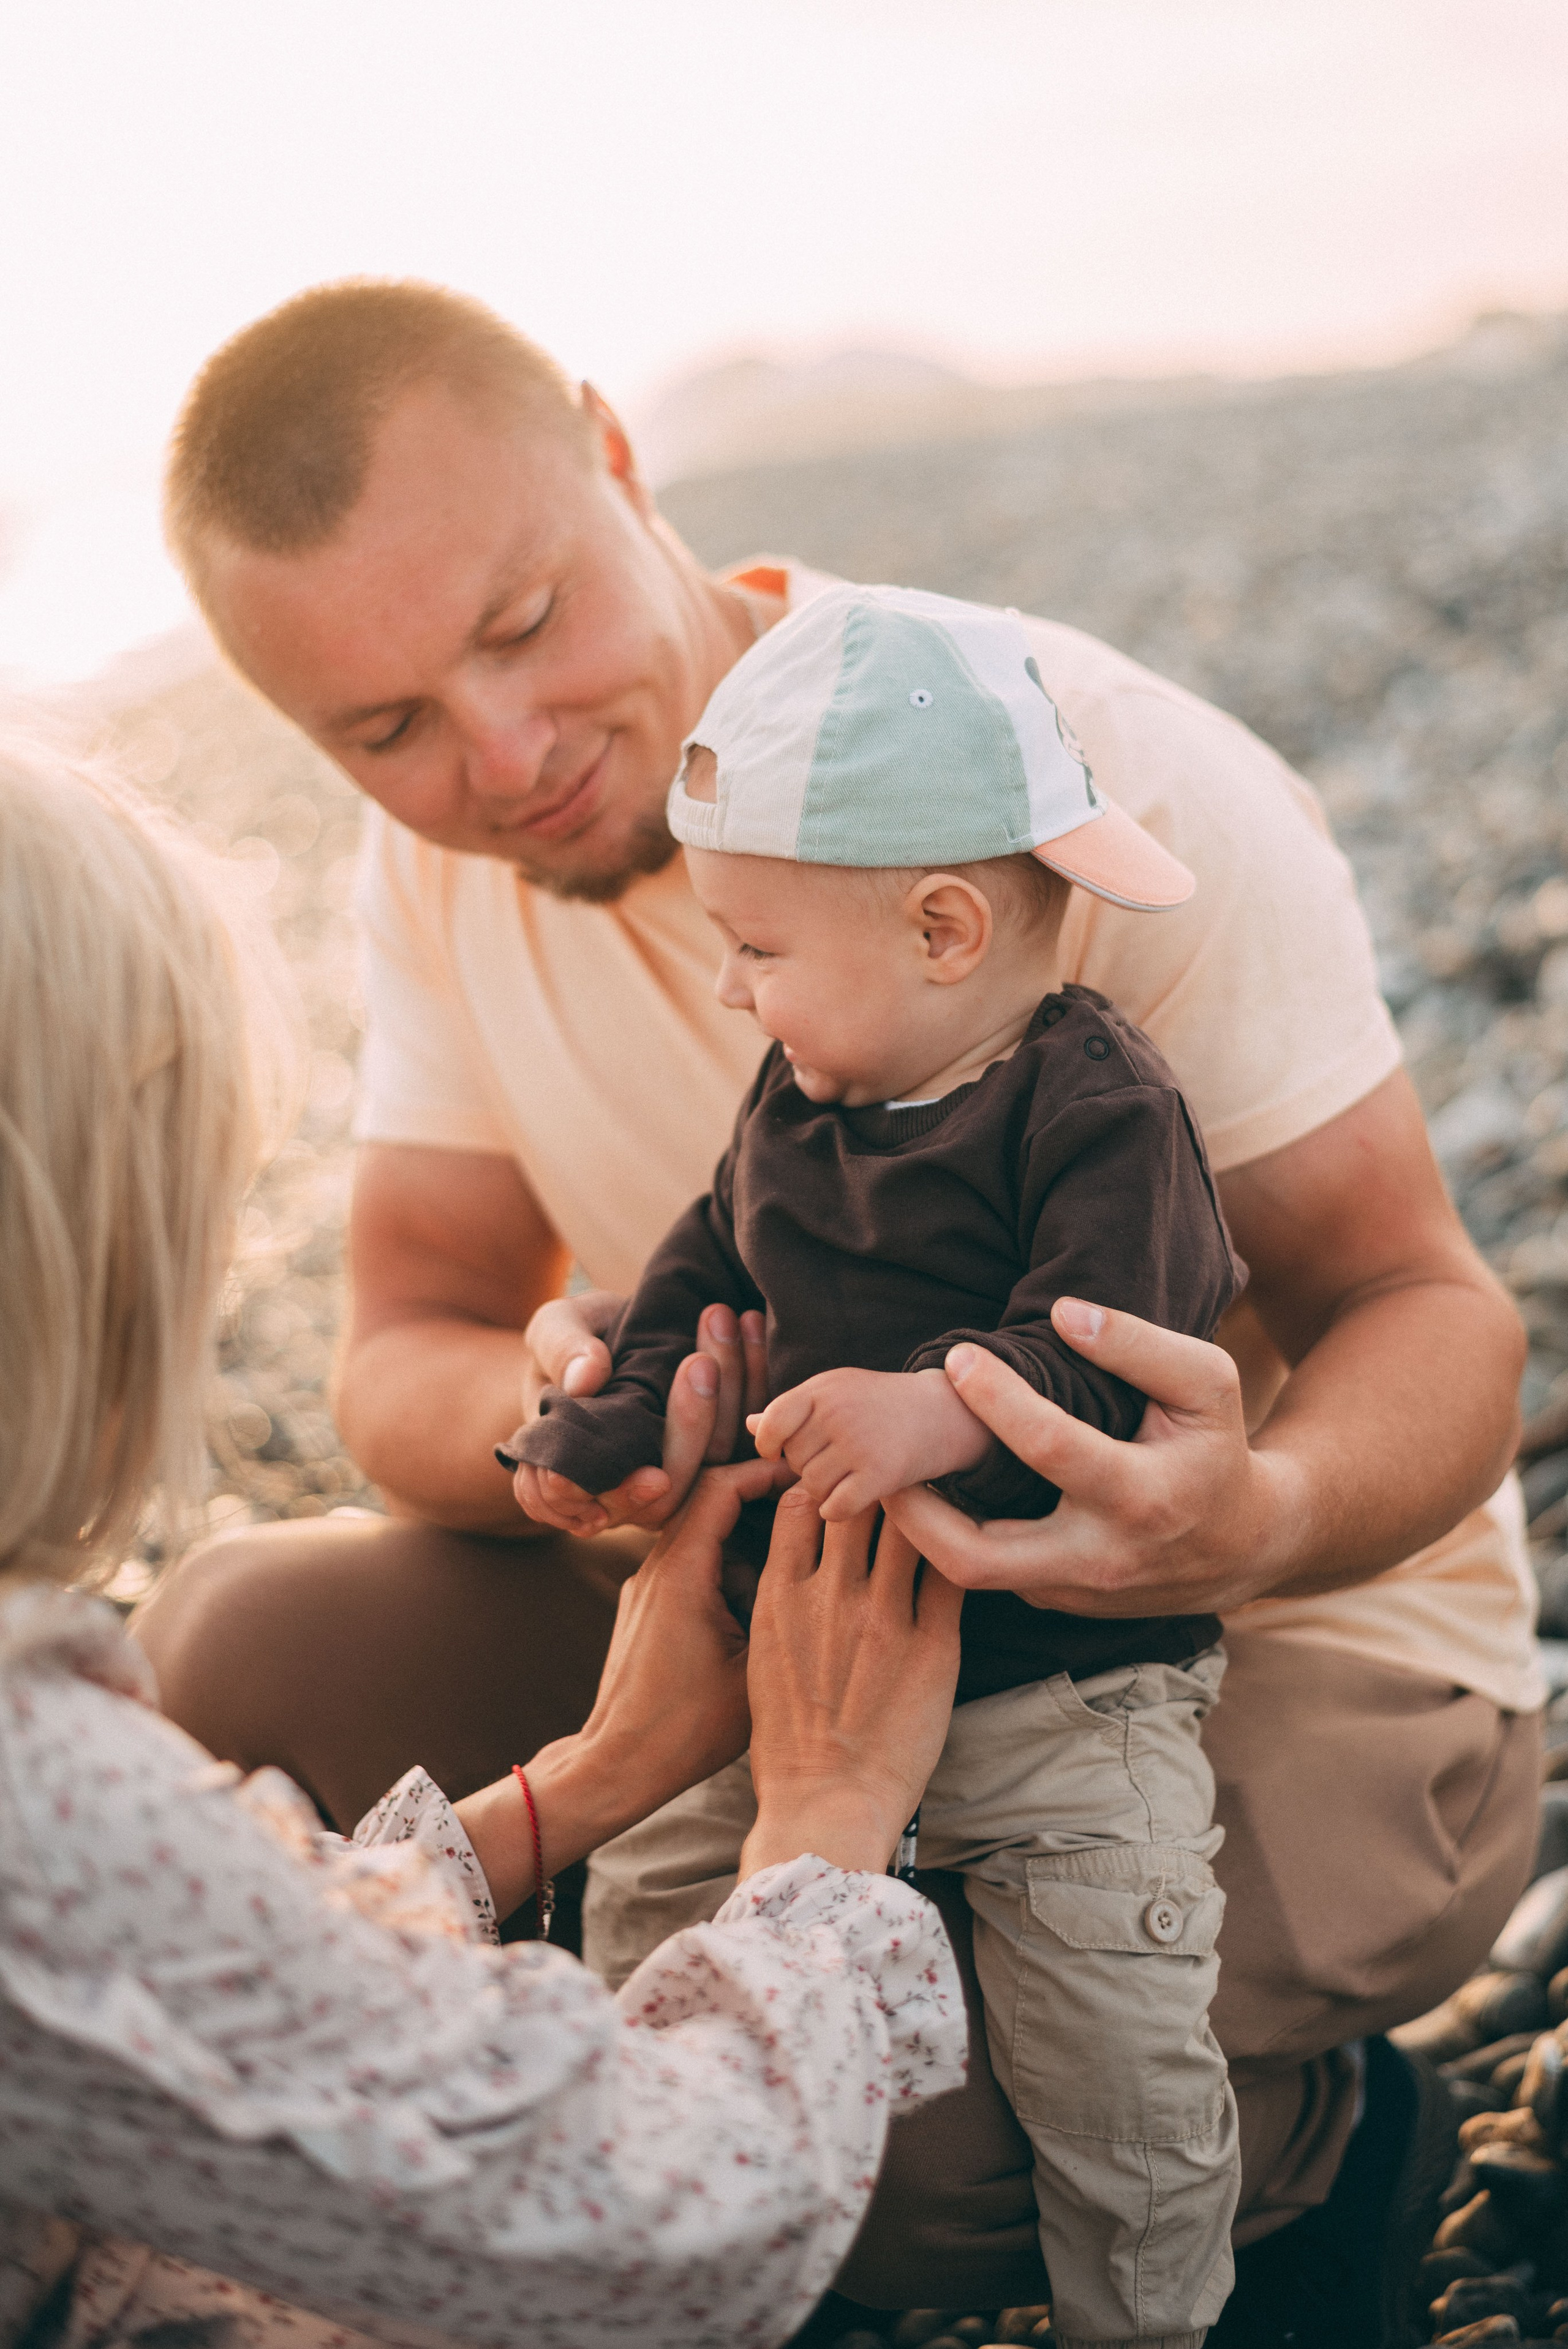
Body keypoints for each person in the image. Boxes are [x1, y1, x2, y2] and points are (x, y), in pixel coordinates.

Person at [137, 280, 1540, 2328]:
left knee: (880, 2139)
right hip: (805, 1605)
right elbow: (404, 1340)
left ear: (620, 462)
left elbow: (1437, 1307)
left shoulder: (1061, 790)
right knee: (228, 1643)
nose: (500, 757)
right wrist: (565, 1431)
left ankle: (1320, 2144)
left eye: (521, 626)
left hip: (1267, 1644)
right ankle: (653, 2022)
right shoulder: (434, 866)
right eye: (385, 730)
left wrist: (1255, 1515)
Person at [0, 722, 969, 2349]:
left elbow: (173, 1981)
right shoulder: (46, 1801)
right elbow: (670, 2230)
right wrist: (824, 1827)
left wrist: (578, 1780)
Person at [513, 579, 1248, 2349]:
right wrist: (605, 1425)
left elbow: (1117, 1321)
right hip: (797, 1678)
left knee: (1113, 2056)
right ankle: (669, 2237)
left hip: (1060, 1700)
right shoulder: (797, 1095)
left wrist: (944, 1399)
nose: (729, 981)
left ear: (939, 929)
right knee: (650, 1912)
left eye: (756, 945)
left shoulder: (1097, 1106)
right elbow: (702, 1264)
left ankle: (1149, 2310)